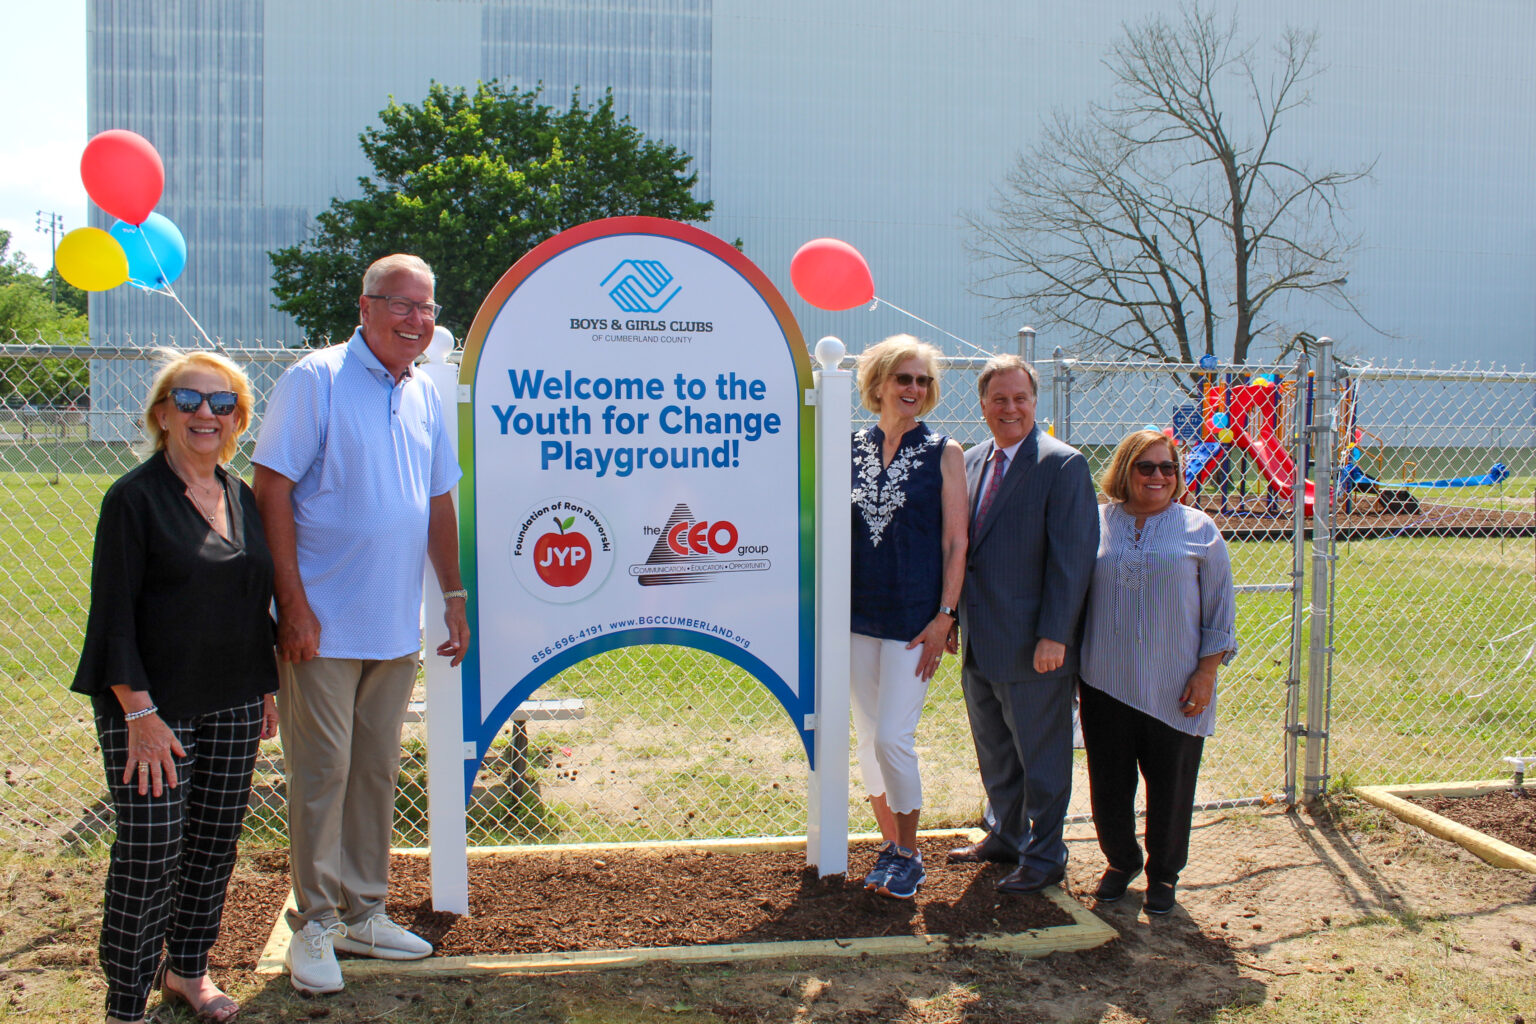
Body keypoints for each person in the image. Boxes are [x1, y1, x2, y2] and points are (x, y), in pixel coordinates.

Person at [253, 253, 469, 994]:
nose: (417, 320)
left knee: (375, 774)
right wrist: (294, 604)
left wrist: (454, 596)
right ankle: (314, 926)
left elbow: (438, 501)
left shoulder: (424, 395)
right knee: (322, 775)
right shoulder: (316, 379)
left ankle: (364, 911)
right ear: (365, 306)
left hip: (392, 626)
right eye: (402, 304)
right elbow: (272, 486)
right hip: (322, 625)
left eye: (428, 308)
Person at [72, 351, 279, 1024]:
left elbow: (251, 602)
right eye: (189, 400)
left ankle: (188, 971)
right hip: (151, 710)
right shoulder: (133, 499)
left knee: (214, 841)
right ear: (162, 413)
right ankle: (126, 1000)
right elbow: (113, 616)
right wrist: (139, 713)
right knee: (152, 847)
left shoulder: (241, 496)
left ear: (238, 420)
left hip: (235, 700)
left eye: (222, 405)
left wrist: (265, 689)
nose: (205, 415)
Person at [948, 354, 1098, 894]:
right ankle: (1006, 835)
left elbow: (1072, 560)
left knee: (1041, 755)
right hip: (978, 640)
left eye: (1020, 398)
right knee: (995, 751)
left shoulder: (1062, 465)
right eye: (999, 398)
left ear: (1035, 403)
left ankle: (1046, 851)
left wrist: (1055, 635)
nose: (1010, 408)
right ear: (983, 404)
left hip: (1036, 646)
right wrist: (951, 618)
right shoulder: (969, 461)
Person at [1079, 430, 1237, 915]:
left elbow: (1219, 610)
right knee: (1109, 782)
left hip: (1174, 682)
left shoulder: (1199, 529)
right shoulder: (1096, 523)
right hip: (1104, 678)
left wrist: (1206, 673)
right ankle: (1120, 860)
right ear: (1124, 470)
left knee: (1171, 785)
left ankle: (1164, 874)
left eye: (1168, 468)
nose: (1158, 477)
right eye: (1145, 467)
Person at [849, 335, 967, 899]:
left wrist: (946, 615)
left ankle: (911, 854)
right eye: (903, 378)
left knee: (895, 737)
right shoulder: (847, 447)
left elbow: (955, 542)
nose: (914, 389)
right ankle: (890, 846)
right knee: (868, 738)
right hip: (854, 618)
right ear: (878, 384)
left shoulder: (945, 452)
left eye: (922, 380)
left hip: (914, 621)